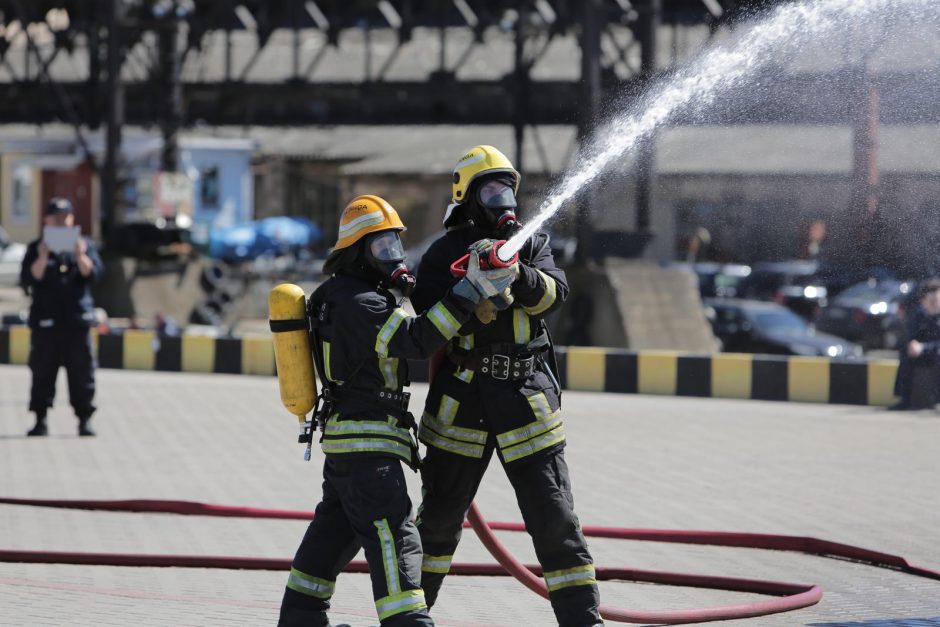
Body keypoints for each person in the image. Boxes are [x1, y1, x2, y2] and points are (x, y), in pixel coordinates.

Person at [278, 194, 517, 627]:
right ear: (358, 252)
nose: (394, 257)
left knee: (334, 530)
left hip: (349, 444)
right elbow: (418, 341)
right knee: (395, 536)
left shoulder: (337, 295)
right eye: (382, 248)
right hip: (370, 447)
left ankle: (300, 616)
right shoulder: (363, 304)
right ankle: (408, 622)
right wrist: (470, 291)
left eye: (396, 246)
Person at [411, 145, 603, 627]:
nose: (505, 202)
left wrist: (517, 274)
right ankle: (408, 618)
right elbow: (427, 321)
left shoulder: (530, 243)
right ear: (468, 196)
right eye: (493, 190)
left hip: (526, 398)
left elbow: (556, 294)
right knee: (437, 521)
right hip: (463, 399)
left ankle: (583, 620)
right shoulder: (442, 254)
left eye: (509, 190)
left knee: (555, 519)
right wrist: (467, 294)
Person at [19, 197, 103, 437]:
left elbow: (95, 274)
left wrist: (80, 256)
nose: (61, 222)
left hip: (76, 322)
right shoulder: (36, 247)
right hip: (46, 323)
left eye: (65, 217)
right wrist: (43, 257)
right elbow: (28, 278)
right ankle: (40, 418)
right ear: (47, 220)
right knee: (42, 371)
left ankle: (84, 419)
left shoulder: (84, 245)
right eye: (56, 218)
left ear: (72, 219)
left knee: (82, 372)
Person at [890, 278, 940, 410]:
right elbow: (910, 335)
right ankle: (904, 399)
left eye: (937, 299)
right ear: (923, 300)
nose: (935, 303)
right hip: (922, 352)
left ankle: (936, 400)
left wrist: (923, 347)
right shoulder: (918, 314)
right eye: (932, 300)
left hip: (935, 352)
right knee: (904, 354)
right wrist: (911, 344)